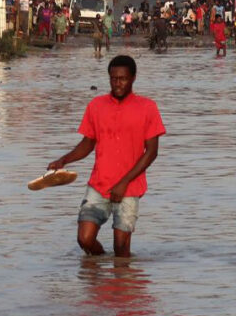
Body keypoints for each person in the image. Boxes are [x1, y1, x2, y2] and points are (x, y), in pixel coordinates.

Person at [46, 55, 165, 258]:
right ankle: (98, 270)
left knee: (121, 248)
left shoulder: (147, 107)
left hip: (129, 188)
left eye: (123, 79)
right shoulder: (96, 106)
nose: (117, 83)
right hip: (99, 185)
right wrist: (63, 160)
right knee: (84, 239)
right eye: (113, 79)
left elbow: (152, 152)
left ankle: (121, 285)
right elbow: (88, 143)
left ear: (133, 78)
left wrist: (124, 182)